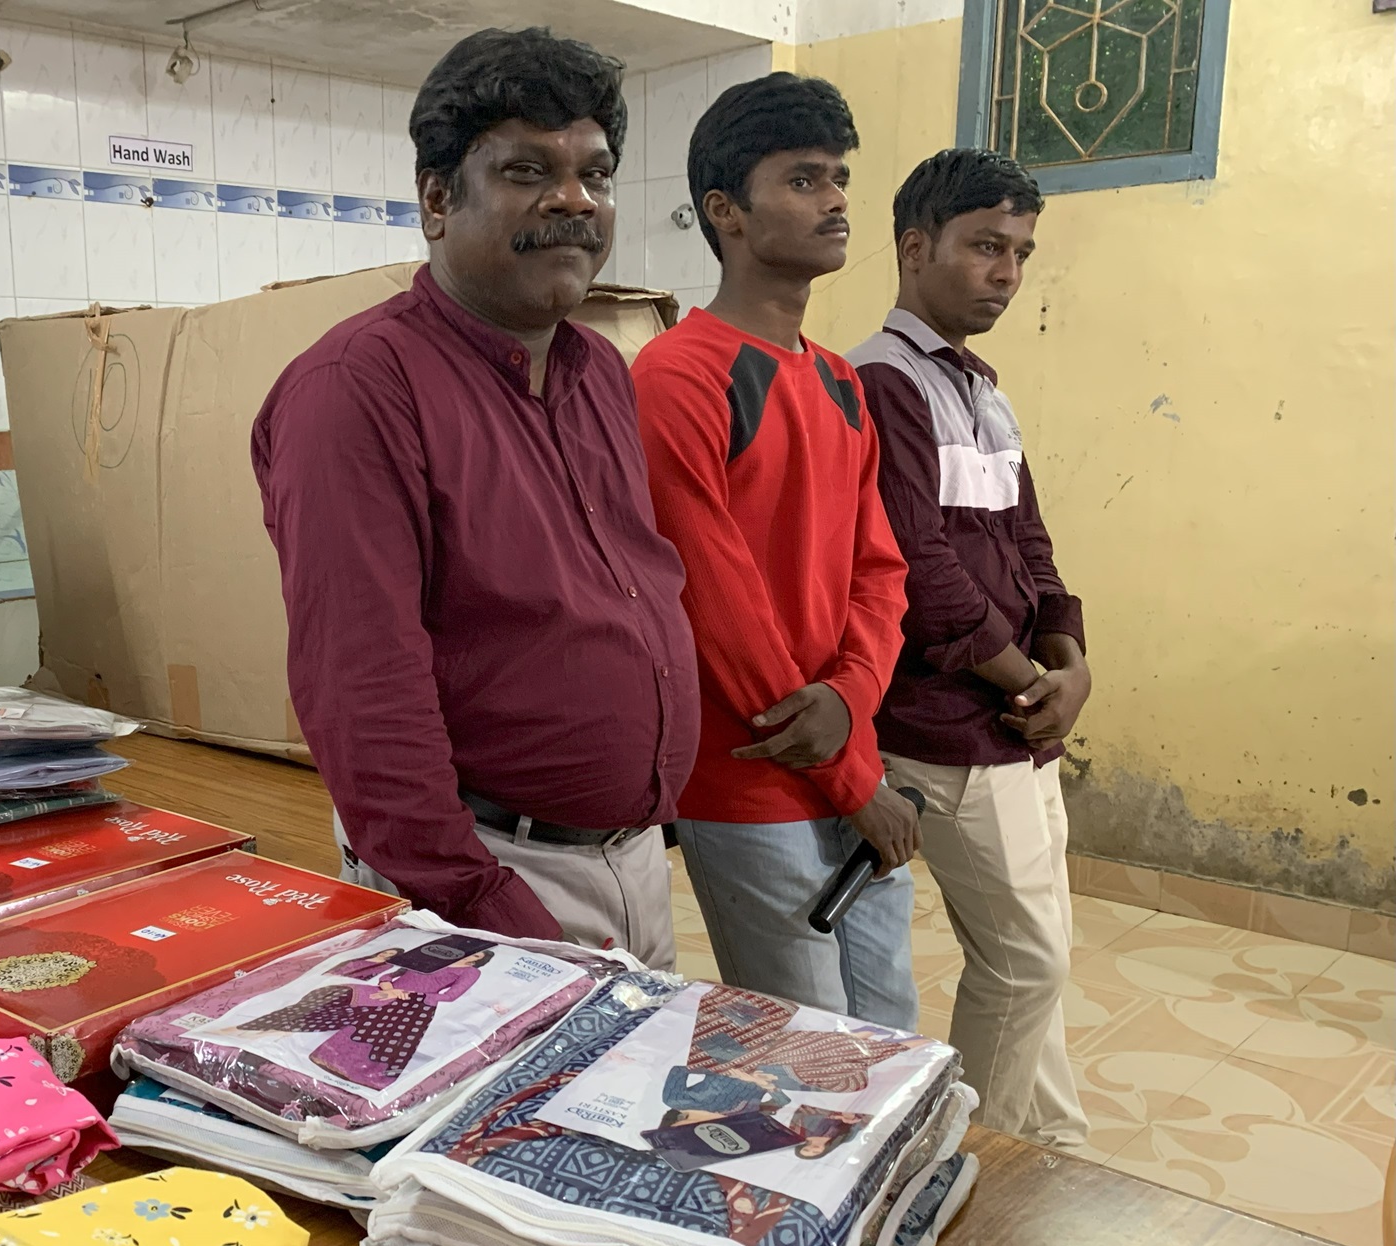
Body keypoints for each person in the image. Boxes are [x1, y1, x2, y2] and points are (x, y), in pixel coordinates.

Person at [252, 27, 700, 968]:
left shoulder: (599, 371)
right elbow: (363, 690)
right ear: (436, 200)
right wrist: (481, 898)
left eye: (596, 173)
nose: (574, 200)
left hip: (629, 859)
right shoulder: (357, 388)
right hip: (485, 875)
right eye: (528, 170)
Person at [632, 73, 918, 1028]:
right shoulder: (678, 376)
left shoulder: (838, 379)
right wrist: (851, 774)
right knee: (803, 1048)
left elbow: (880, 571)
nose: (835, 201)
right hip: (750, 780)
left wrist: (853, 703)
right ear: (726, 211)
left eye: (839, 179)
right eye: (803, 180)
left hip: (850, 753)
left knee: (888, 1033)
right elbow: (717, 606)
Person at [847, 148, 1090, 1146]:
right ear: (916, 247)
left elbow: (1029, 540)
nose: (1008, 273)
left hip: (1019, 718)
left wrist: (1070, 656)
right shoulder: (882, 382)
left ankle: (1055, 1149)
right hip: (950, 728)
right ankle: (963, 1162)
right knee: (1024, 965)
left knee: (1043, 955)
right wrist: (1030, 682)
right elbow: (924, 573)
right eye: (987, 246)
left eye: (1020, 252)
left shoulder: (983, 390)